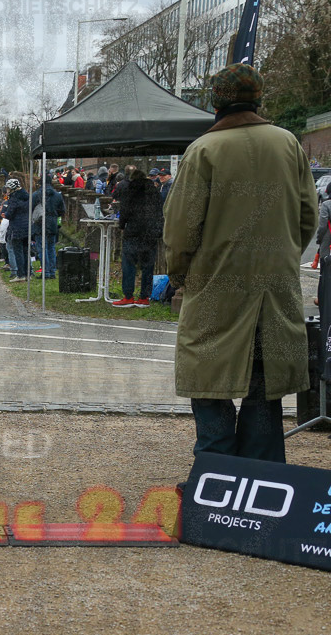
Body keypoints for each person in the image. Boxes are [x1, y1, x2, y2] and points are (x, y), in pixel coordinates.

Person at [164, 63, 317, 464]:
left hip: (215, 289)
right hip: (274, 290)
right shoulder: (288, 144)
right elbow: (306, 217)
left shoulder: (203, 151)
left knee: (211, 394)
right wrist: (278, 256)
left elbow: (181, 229)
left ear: (215, 101)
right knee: (264, 397)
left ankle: (215, 489)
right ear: (258, 98)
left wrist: (180, 276)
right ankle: (263, 494)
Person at [112, 170, 163, 307]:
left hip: (133, 231)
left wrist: (122, 225)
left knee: (129, 264)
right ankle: (144, 297)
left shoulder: (130, 190)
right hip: (150, 232)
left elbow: (125, 210)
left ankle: (128, 296)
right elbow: (160, 210)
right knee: (148, 266)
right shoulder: (154, 191)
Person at [30, 177, 65, 278]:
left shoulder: (36, 195)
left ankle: (45, 272)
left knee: (42, 248)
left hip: (39, 224)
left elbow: (31, 209)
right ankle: (52, 271)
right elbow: (62, 210)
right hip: (52, 223)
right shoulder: (57, 195)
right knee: (51, 247)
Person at [4, 178, 30, 281]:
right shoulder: (27, 197)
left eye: (8, 188)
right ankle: (28, 274)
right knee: (25, 252)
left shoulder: (14, 199)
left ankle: (20, 275)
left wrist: (5, 214)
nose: (7, 190)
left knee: (18, 252)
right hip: (26, 227)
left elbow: (10, 213)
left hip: (17, 228)